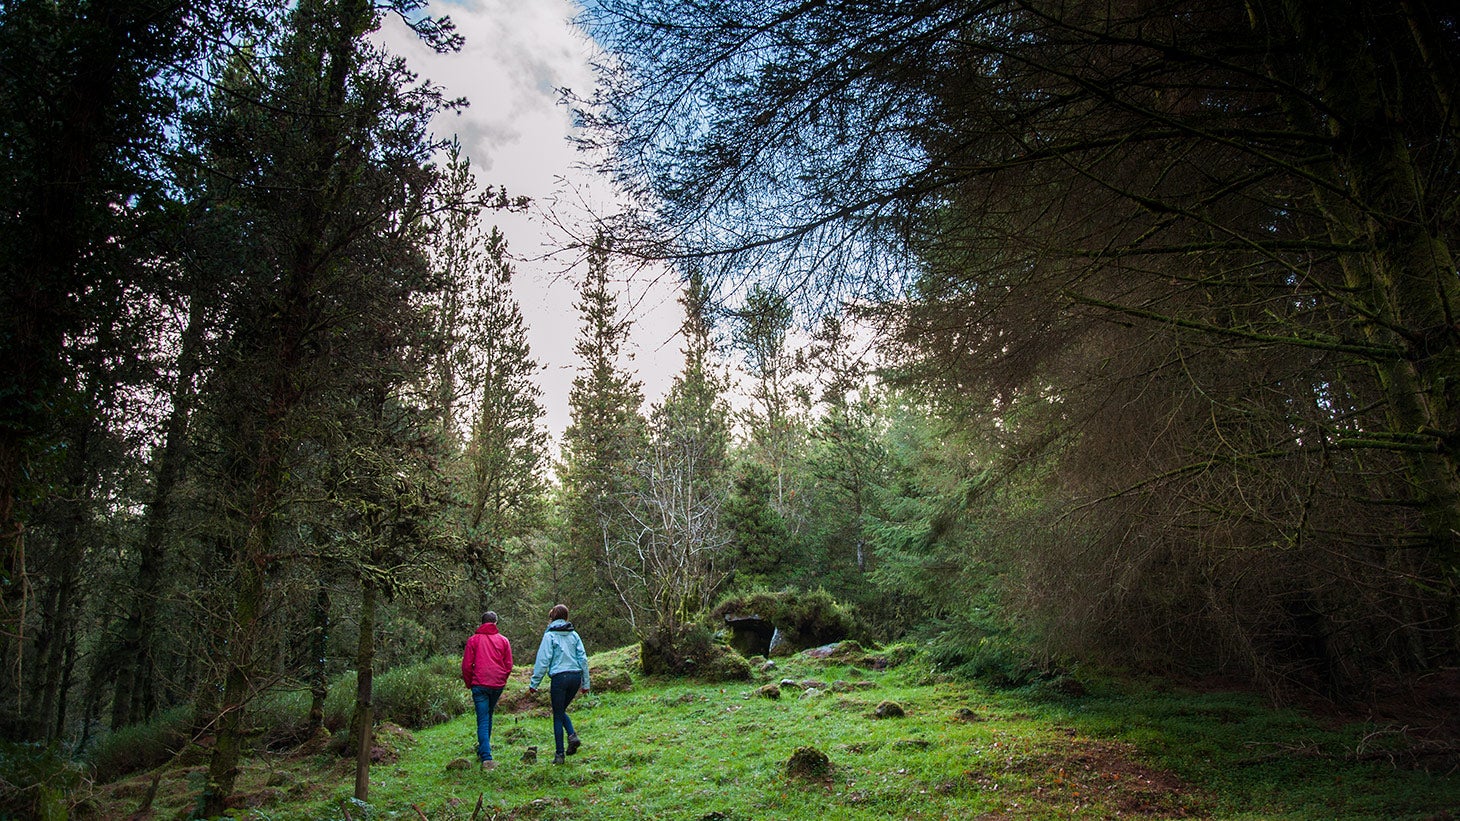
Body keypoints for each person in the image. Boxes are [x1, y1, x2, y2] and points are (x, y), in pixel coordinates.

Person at [528, 604, 590, 764]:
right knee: (560, 710)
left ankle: (559, 754)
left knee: (557, 714)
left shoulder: (550, 636)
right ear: (566, 617)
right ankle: (572, 736)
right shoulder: (574, 635)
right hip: (575, 677)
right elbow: (583, 659)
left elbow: (543, 660)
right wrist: (586, 683)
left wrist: (534, 682)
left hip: (559, 678)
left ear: (552, 618)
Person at [461, 611, 513, 770]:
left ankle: (486, 756)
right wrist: (502, 679)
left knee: (483, 719)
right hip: (496, 684)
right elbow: (508, 664)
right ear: (495, 623)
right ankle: (484, 750)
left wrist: (470, 683)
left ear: (482, 623)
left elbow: (466, 665)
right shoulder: (503, 640)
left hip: (480, 684)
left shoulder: (473, 640)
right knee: (488, 715)